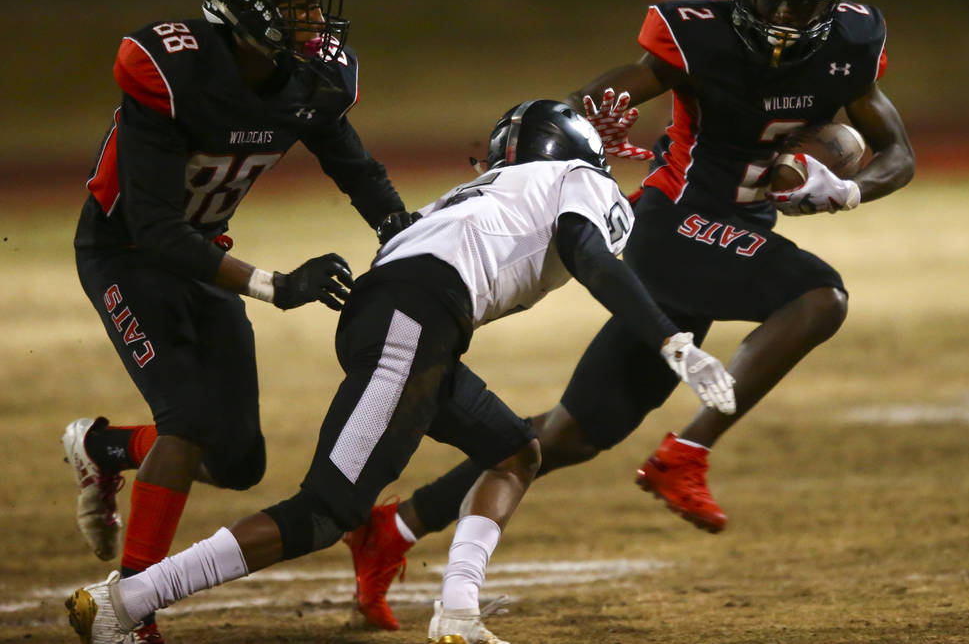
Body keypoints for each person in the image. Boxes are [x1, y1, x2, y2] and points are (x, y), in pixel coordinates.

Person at [344, 0, 916, 631]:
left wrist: (846, 187)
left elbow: (898, 152)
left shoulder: (848, 48)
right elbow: (592, 104)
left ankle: (391, 529)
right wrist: (566, 136)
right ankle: (688, 450)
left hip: (731, 238)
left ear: (828, 8)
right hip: (674, 229)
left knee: (574, 431)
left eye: (800, 5)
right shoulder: (699, 37)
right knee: (819, 296)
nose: (781, 18)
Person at [64, 99, 736, 644]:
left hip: (405, 317)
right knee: (327, 508)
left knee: (513, 450)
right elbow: (594, 253)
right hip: (414, 318)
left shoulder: (489, 189)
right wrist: (674, 344)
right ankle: (126, 601)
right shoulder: (574, 182)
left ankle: (458, 614)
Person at [63, 0, 422, 644]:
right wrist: (272, 284)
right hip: (126, 250)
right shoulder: (174, 70)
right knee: (188, 419)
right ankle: (128, 609)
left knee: (238, 460)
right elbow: (157, 228)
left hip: (201, 251)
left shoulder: (310, 77)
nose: (314, 19)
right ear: (242, 2)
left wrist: (410, 236)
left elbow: (355, 168)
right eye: (295, 3)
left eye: (316, 2)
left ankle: (103, 448)